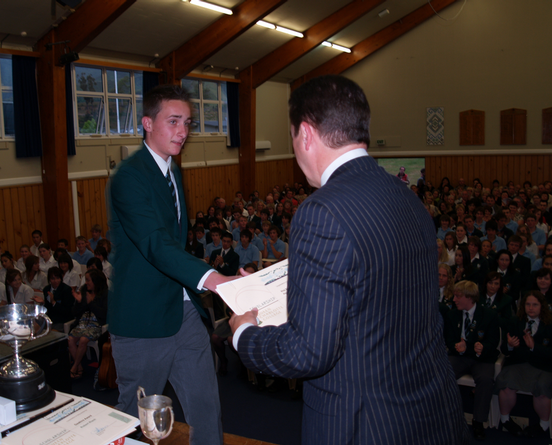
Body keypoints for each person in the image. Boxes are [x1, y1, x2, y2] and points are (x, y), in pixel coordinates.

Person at [229, 76, 469, 444]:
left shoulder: (322, 210)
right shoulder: (405, 196)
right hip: (430, 411)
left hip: (366, 424)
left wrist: (244, 334)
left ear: (305, 134)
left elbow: (308, 353)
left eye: (292, 138)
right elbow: (371, 293)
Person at [107, 84, 232, 443]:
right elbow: (154, 244)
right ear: (147, 123)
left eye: (187, 122)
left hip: (184, 311)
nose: (183, 131)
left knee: (207, 407)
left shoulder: (173, 170)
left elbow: (176, 243)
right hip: (143, 318)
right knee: (135, 421)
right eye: (173, 121)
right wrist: (212, 279)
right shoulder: (129, 177)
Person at [444, 280, 500, 440]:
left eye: (458, 296)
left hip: (482, 359)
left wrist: (481, 347)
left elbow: (493, 342)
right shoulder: (452, 315)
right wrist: (457, 347)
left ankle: (478, 421)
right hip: (459, 357)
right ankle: (447, 417)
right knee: (443, 373)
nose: (454, 299)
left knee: (486, 380)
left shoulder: (489, 315)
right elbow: (449, 339)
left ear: (470, 297)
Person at [495, 291, 552, 438]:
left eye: (535, 305)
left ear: (542, 307)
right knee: (506, 384)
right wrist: (509, 345)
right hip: (517, 363)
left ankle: (543, 425)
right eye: (528, 304)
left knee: (543, 387)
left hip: (542, 367)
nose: (531, 308)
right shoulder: (515, 321)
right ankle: (505, 420)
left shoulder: (550, 324)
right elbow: (503, 349)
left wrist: (534, 347)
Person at [68, 269, 108, 379]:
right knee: (70, 339)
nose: (86, 283)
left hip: (97, 324)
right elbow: (75, 313)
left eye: (88, 280)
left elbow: (104, 314)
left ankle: (74, 367)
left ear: (96, 281)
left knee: (83, 340)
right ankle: (79, 367)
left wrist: (92, 303)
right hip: (83, 322)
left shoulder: (105, 293)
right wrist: (80, 303)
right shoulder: (84, 290)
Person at [34, 267, 75, 331]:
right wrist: (43, 302)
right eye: (53, 278)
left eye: (58, 278)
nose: (56, 281)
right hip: (50, 318)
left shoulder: (66, 290)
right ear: (49, 279)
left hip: (62, 320)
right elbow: (48, 309)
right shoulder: (46, 289)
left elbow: (67, 311)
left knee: (51, 332)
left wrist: (53, 302)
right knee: (35, 323)